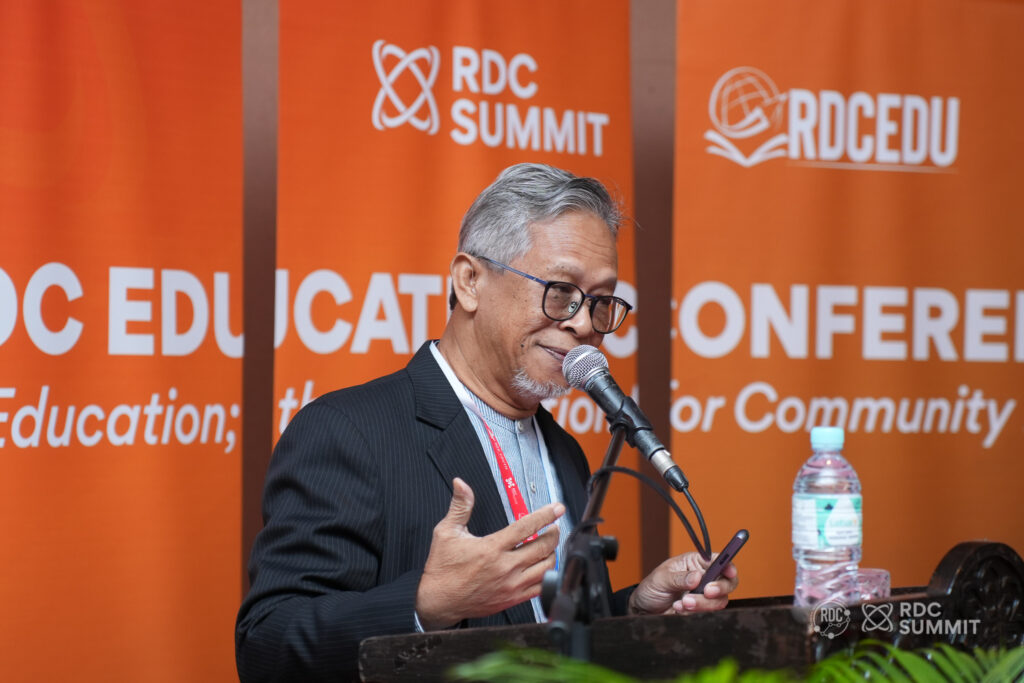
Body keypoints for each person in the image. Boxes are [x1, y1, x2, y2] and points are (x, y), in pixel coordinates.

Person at [235, 163, 739, 682]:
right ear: (470, 281)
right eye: (560, 291)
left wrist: (633, 611)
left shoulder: (564, 450)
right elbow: (266, 645)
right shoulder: (348, 431)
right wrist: (428, 603)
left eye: (600, 301)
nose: (583, 323)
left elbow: (540, 634)